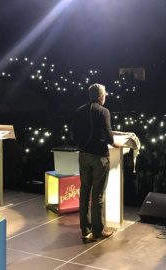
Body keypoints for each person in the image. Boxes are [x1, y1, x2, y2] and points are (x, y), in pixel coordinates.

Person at [71, 83, 121, 243]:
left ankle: (85, 230)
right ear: (101, 96)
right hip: (99, 157)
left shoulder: (79, 111)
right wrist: (114, 143)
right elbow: (107, 133)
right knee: (98, 194)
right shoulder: (103, 111)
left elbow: (73, 133)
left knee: (84, 192)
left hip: (83, 155)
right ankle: (98, 231)